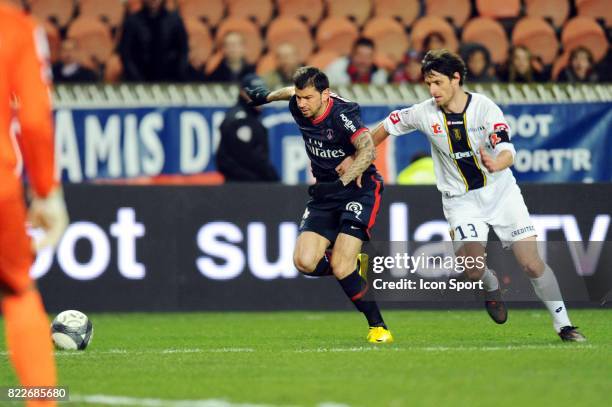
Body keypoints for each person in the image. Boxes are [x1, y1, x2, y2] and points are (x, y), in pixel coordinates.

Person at [338, 49, 585, 342]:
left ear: (456, 79)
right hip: (460, 200)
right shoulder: (423, 112)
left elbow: (507, 149)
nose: (432, 90)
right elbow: (387, 126)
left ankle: (564, 325)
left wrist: (497, 162)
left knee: (531, 262)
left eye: (438, 83)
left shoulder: (485, 108)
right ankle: (491, 284)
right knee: (473, 269)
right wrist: (359, 156)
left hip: (501, 191)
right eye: (428, 83)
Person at [245, 66, 393, 343]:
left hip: (358, 190)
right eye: (299, 98)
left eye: (308, 98)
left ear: (325, 95)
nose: (301, 103)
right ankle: (348, 266)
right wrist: (266, 96)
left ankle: (378, 327)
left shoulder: (342, 114)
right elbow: (290, 91)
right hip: (325, 193)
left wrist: (342, 183)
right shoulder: (297, 102)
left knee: (340, 264)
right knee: (304, 262)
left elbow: (368, 149)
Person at [1, 3, 69, 406]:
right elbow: (34, 120)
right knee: (18, 291)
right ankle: (42, 401)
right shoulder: (17, 28)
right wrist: (46, 190)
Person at [216, 74, 280, 182]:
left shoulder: (250, 117)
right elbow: (248, 159)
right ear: (243, 93)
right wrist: (272, 179)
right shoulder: (240, 121)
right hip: (243, 187)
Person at [118, 0, 189, 81]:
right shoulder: (132, 22)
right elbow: (126, 55)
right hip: (139, 80)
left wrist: (178, 77)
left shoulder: (175, 21)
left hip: (170, 79)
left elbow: (183, 51)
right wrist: (137, 80)